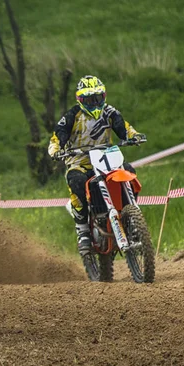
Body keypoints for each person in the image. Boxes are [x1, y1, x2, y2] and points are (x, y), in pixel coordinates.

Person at [48, 75, 143, 253]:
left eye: (98, 98)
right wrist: (55, 149)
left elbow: (125, 128)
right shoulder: (72, 115)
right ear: (81, 99)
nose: (95, 103)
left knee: (129, 171)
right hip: (80, 161)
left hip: (107, 159)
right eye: (90, 99)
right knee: (76, 180)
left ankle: (131, 216)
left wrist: (133, 136)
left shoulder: (110, 112)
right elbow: (58, 135)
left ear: (104, 96)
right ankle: (83, 231)